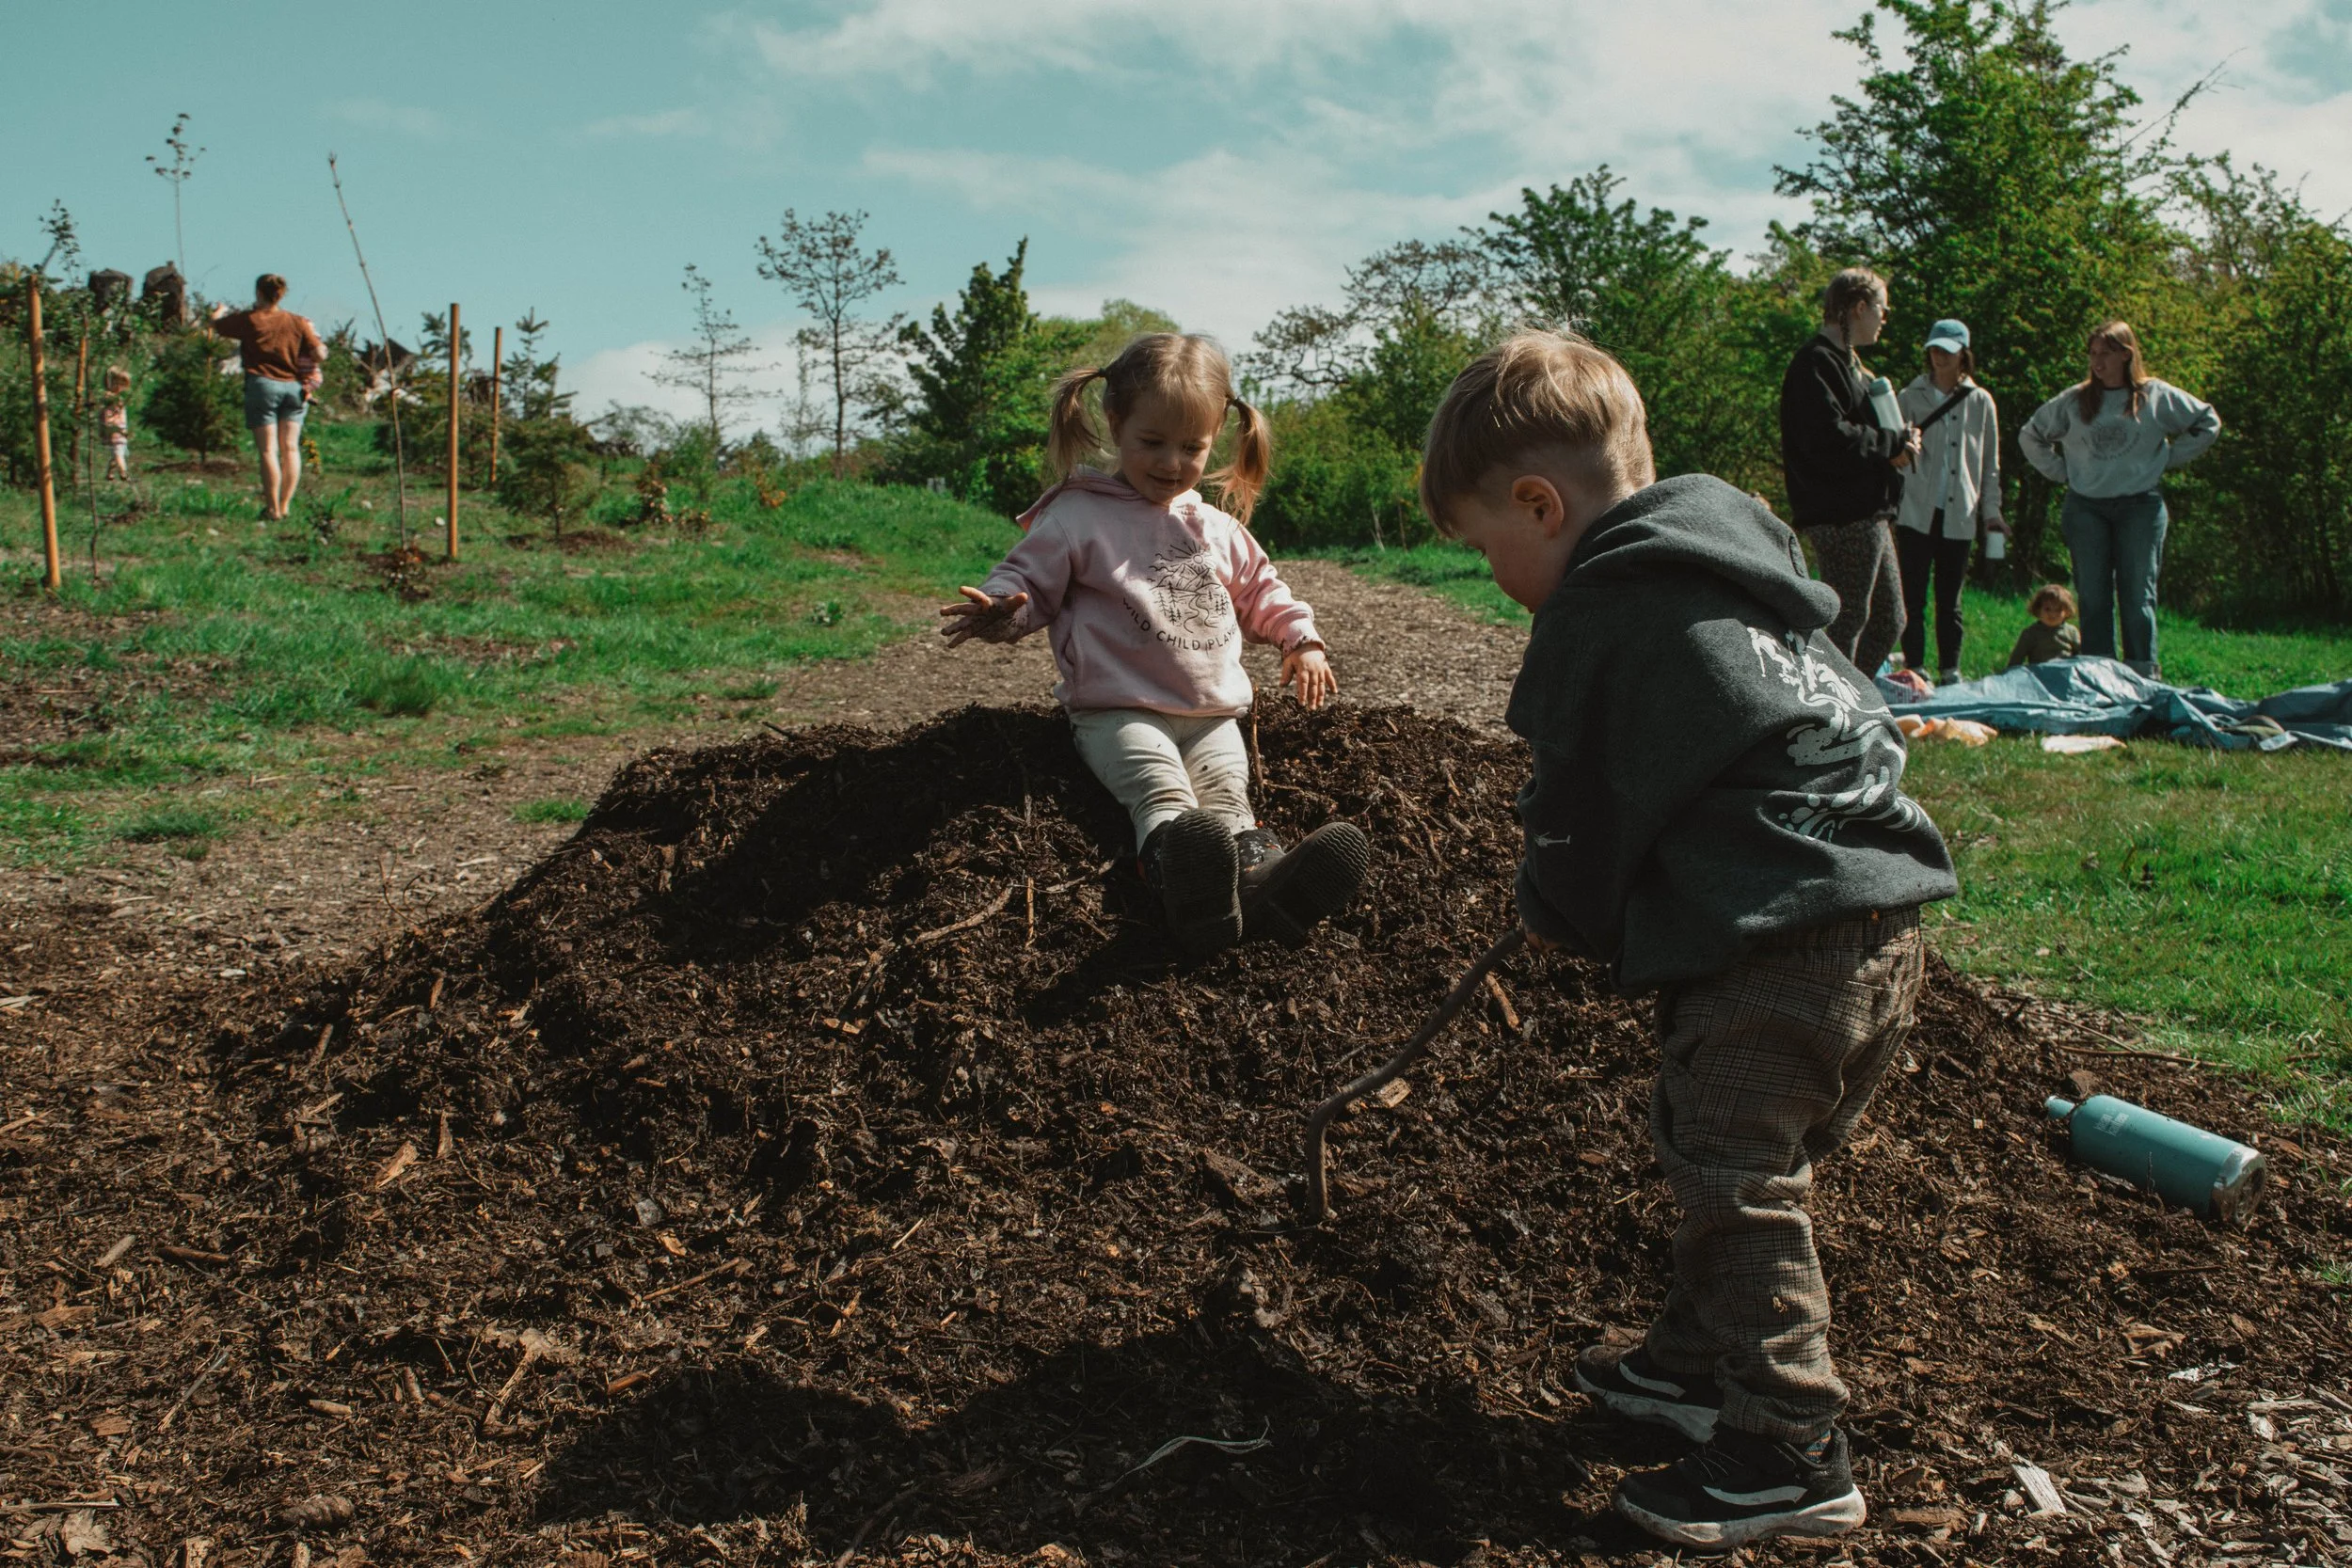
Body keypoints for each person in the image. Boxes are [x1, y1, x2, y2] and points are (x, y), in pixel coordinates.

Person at [1421, 331, 1957, 1549]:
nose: (1494, 573)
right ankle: (1692, 1361)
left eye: (1484, 546)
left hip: (1786, 942)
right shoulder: (1734, 559)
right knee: (1717, 1144)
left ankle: (1787, 1443)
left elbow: (1580, 807)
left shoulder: (1601, 611)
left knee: (1733, 1176)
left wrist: (1555, 905)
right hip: (1883, 916)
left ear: (1539, 504)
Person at [938, 333, 1371, 958]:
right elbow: (1028, 580)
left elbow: (1262, 589)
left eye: (1191, 447)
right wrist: (1002, 608)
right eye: (1152, 443)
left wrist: (1301, 640)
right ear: (1115, 423)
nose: (1171, 462)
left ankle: (1258, 891)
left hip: (1210, 712)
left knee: (1226, 796)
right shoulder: (1077, 517)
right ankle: (1183, 883)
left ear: (1216, 436)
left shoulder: (1216, 528)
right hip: (1119, 709)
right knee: (1161, 789)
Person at [2018, 322, 2220, 676]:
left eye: (2105, 353)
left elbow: (2207, 422)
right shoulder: (2075, 399)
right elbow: (2030, 435)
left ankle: (2143, 674)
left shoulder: (2154, 395)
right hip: (2086, 507)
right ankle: (2100, 674)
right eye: (2093, 354)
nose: (2097, 361)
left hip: (2140, 506)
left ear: (2126, 354)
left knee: (2137, 596)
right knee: (2093, 596)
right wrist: (2063, 471)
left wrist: (2166, 460)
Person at [1779, 266, 1921, 678]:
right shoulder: (1814, 365)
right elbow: (1829, 437)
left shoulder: (1849, 364)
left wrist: (1898, 441)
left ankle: (1853, 707)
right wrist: (1891, 445)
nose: (1885, 318)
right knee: (1848, 618)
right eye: (1882, 309)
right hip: (1841, 513)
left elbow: (1860, 431)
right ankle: (1828, 711)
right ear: (1860, 307)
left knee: (1888, 619)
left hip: (1868, 509)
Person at [1894, 320, 2004, 684]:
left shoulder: (1980, 400)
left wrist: (1992, 513)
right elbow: (1892, 455)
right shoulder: (1911, 395)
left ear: (1963, 355)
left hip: (1960, 511)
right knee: (1912, 594)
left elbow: (1990, 463)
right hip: (1915, 511)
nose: (1939, 356)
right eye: (1934, 349)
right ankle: (1915, 666)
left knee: (1950, 598)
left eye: (1947, 350)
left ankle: (1950, 669)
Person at [209, 274, 326, 521]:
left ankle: (271, 508)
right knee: (291, 449)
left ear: (258, 293)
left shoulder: (249, 320)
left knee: (268, 451)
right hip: (294, 388)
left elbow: (217, 327)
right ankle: (285, 506)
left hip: (262, 384)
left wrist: (217, 312)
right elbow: (319, 353)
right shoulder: (297, 322)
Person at [2006, 583, 2082, 668]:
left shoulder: (2071, 632)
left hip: (2065, 674)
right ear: (2038, 610)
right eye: (2047, 609)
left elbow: (2080, 657)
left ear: (2067, 612)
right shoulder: (2030, 634)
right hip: (2040, 676)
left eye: (2058, 610)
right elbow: (2016, 660)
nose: (2053, 614)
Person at [101, 365, 133, 481]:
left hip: (120, 429)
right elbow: (107, 416)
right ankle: (124, 473)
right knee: (119, 453)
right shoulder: (110, 399)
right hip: (115, 431)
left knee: (117, 453)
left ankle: (110, 473)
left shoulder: (117, 398)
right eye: (121, 384)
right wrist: (111, 426)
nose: (122, 388)